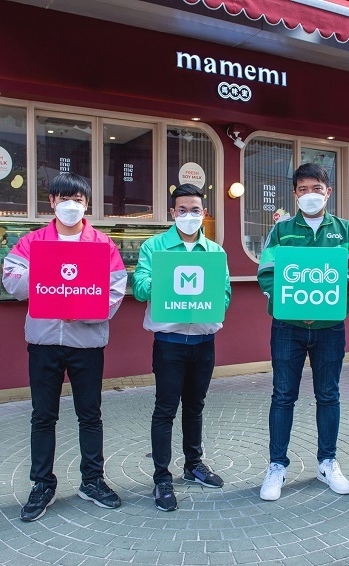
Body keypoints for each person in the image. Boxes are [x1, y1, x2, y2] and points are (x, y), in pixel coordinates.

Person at [2, 172, 127, 520]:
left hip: (87, 342)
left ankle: (93, 481)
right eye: (64, 199)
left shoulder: (102, 244)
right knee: (43, 416)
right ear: (52, 202)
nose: (71, 205)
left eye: (78, 199)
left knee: (90, 414)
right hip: (44, 341)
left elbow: (116, 287)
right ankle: (42, 484)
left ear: (87, 204)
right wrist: (46, 270)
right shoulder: (33, 242)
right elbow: (11, 280)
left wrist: (85, 311)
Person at [256, 163, 349, 501]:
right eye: (303, 189)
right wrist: (291, 301)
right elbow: (266, 273)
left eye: (317, 189)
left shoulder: (346, 230)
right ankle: (277, 465)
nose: (310, 195)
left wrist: (331, 285)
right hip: (287, 327)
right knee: (282, 395)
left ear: (328, 192)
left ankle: (327, 462)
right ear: (295, 194)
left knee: (329, 395)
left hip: (330, 327)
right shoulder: (281, 231)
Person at [132, 184, 232, 512]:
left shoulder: (215, 252)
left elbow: (225, 295)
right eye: (183, 210)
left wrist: (211, 300)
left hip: (204, 342)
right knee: (165, 409)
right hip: (169, 343)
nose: (190, 215)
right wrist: (165, 279)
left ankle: (193, 465)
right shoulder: (155, 247)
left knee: (195, 406)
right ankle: (162, 477)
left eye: (196, 210)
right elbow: (140, 289)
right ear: (173, 213)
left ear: (204, 213)